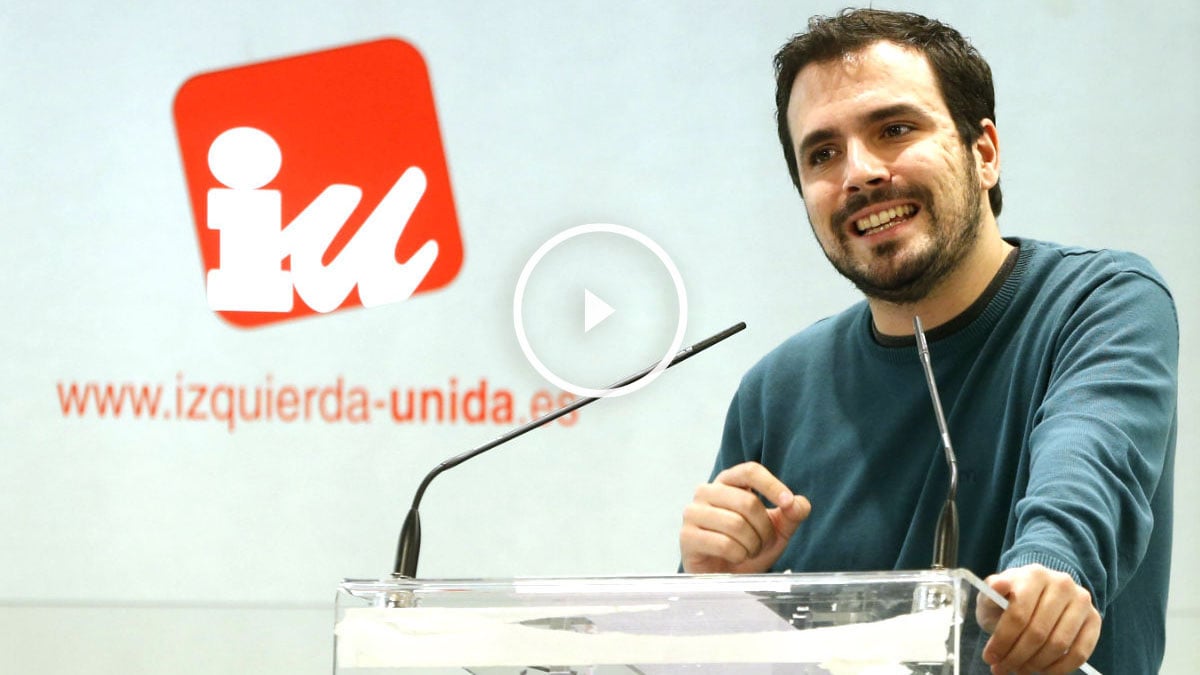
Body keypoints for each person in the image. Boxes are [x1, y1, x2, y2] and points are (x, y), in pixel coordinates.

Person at [678, 9, 1178, 675]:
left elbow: (1086, 477)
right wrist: (709, 593)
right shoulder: (776, 388)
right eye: (822, 153)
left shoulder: (1099, 302)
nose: (858, 172)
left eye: (894, 129)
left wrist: (1048, 573)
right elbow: (723, 646)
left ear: (985, 152)